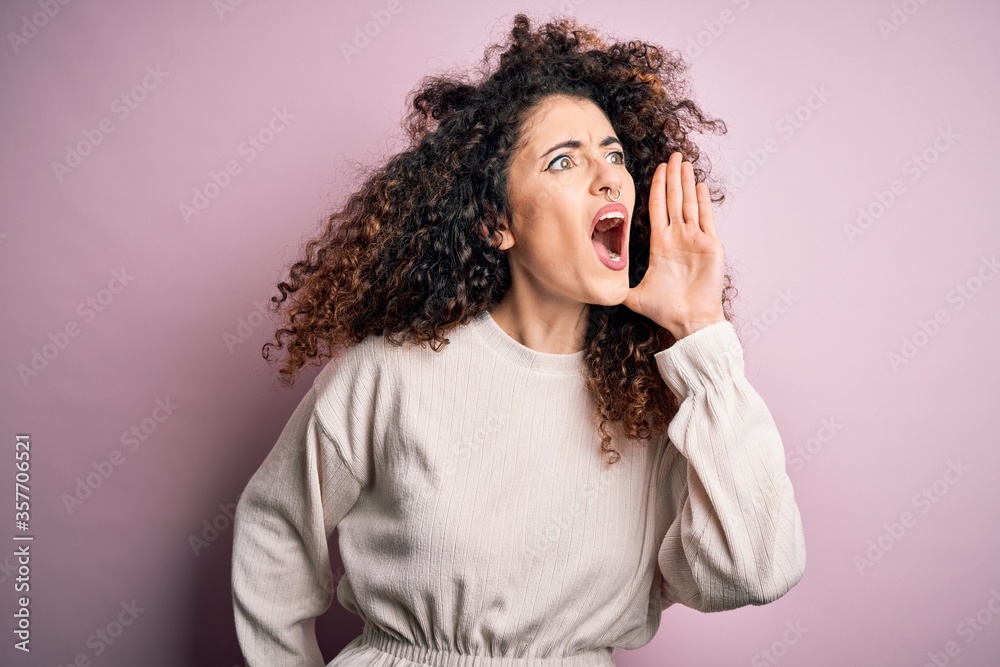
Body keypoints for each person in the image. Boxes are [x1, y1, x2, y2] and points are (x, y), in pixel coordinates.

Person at [230, 12, 806, 667]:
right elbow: (274, 526)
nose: (609, 177)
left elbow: (755, 569)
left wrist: (701, 333)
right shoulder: (387, 372)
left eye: (615, 155)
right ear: (496, 222)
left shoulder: (657, 397)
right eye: (564, 160)